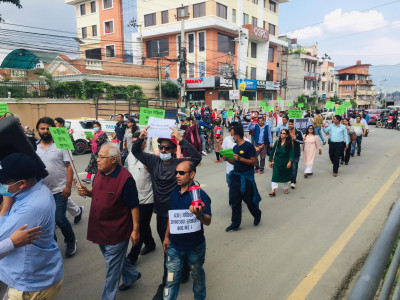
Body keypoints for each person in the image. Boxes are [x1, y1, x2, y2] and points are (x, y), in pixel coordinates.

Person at [132, 126, 202, 300]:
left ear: (173, 150)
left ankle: (165, 284)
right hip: (162, 214)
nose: (163, 150)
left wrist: (180, 139)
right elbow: (135, 152)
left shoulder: (180, 164)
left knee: (173, 247)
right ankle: (182, 270)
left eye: (167, 148)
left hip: (179, 213)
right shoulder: (154, 161)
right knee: (168, 248)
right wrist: (140, 138)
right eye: (161, 147)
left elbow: (197, 157)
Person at [77, 144, 141, 299]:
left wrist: (136, 229)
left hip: (117, 232)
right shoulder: (99, 173)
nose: (97, 160)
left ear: (113, 160)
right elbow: (100, 193)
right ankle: (132, 275)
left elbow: (134, 206)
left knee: (111, 270)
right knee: (114, 260)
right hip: (99, 228)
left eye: (101, 157)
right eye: (97, 156)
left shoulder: (126, 180)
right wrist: (88, 192)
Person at [0, 153, 64, 299]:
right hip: (32, 276)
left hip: (29, 286)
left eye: (4, 183)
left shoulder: (32, 207)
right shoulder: (36, 189)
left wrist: (4, 209)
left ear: (21, 183)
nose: (1, 186)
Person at [162, 161, 212, 300]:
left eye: (181, 173)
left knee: (197, 277)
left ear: (192, 174)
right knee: (171, 280)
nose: (177, 175)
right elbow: (172, 218)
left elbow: (208, 221)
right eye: (176, 172)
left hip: (195, 246)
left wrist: (199, 214)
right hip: (174, 246)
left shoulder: (200, 195)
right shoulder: (174, 193)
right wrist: (166, 237)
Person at [35, 117, 77, 257]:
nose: (45, 131)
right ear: (38, 130)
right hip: (41, 191)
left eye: (48, 128)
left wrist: (68, 186)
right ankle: (52, 244)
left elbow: (69, 166)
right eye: (42, 128)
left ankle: (71, 240)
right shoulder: (34, 147)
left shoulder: (61, 144)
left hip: (60, 189)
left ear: (52, 129)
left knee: (59, 218)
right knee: (47, 221)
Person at [224, 126, 262, 232]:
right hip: (236, 176)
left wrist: (240, 158)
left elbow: (253, 162)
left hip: (247, 178)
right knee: (235, 200)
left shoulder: (249, 146)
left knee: (249, 201)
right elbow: (235, 162)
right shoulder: (235, 148)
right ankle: (235, 223)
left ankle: (257, 214)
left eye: (232, 135)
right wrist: (227, 158)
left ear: (237, 135)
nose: (231, 137)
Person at [126, 132, 156, 265]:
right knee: (142, 224)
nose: (135, 144)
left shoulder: (152, 157)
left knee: (141, 226)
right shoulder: (130, 155)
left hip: (147, 197)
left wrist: (151, 170)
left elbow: (161, 177)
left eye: (138, 142)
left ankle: (133, 256)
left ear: (145, 143)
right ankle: (150, 244)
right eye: (133, 142)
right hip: (133, 196)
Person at [54, 117, 84, 224]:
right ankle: (76, 211)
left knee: (61, 194)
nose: (55, 125)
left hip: (64, 167)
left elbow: (69, 157)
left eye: (56, 123)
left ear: (61, 124)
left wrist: (73, 177)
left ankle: (76, 211)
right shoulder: (53, 134)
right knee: (58, 195)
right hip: (55, 169)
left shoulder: (64, 134)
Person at [268, 129, 294, 196]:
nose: (281, 134)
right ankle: (273, 190)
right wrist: (270, 160)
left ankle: (285, 188)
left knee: (285, 175)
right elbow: (273, 151)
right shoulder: (277, 142)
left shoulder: (289, 143)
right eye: (281, 133)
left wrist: (290, 161)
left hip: (285, 162)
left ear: (286, 135)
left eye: (283, 133)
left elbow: (291, 153)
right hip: (277, 162)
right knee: (275, 176)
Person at [288, 119, 304, 189]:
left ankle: (293, 182)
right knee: (288, 167)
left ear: (294, 124)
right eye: (289, 124)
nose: (290, 125)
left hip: (295, 153)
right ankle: (290, 178)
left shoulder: (298, 132)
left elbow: (302, 141)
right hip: (287, 153)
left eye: (291, 124)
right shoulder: (285, 132)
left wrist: (295, 139)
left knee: (294, 167)